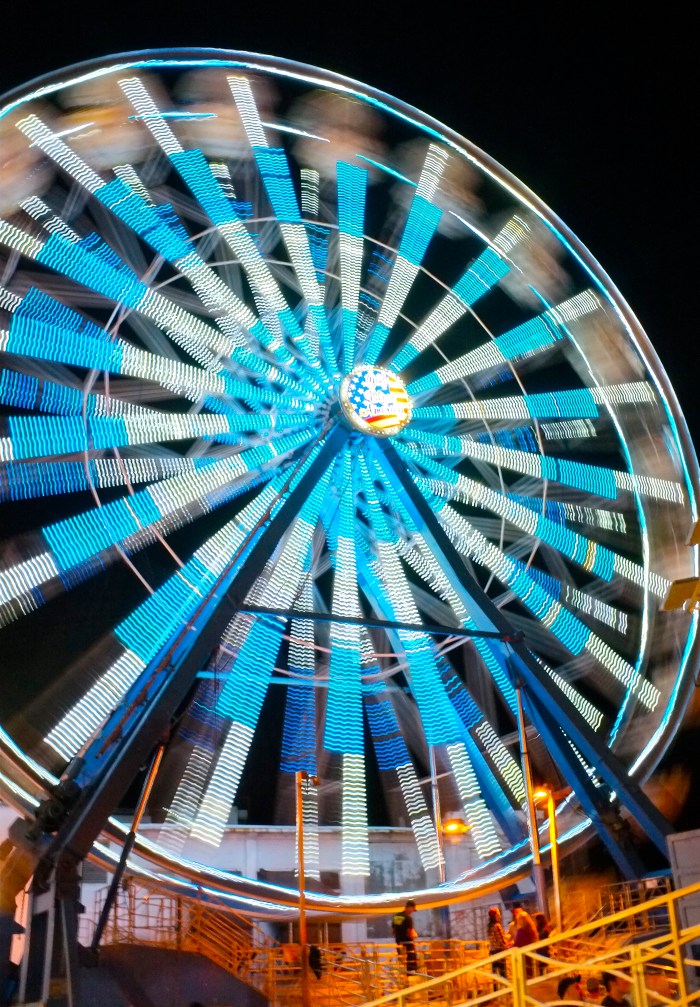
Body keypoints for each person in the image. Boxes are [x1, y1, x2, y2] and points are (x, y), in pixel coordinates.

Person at [487, 906, 511, 988]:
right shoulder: (497, 926)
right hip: (499, 951)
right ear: (495, 916)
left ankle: (496, 991)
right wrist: (507, 946)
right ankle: (506, 990)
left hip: (493, 952)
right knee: (503, 973)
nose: (500, 916)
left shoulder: (489, 927)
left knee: (495, 973)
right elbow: (502, 939)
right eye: (498, 914)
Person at [392, 899, 418, 974]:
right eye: (412, 909)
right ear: (410, 907)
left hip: (399, 942)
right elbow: (410, 931)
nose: (412, 912)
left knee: (401, 958)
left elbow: (393, 930)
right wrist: (414, 936)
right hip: (407, 942)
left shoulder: (396, 916)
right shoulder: (408, 918)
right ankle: (411, 972)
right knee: (411, 956)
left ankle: (402, 971)